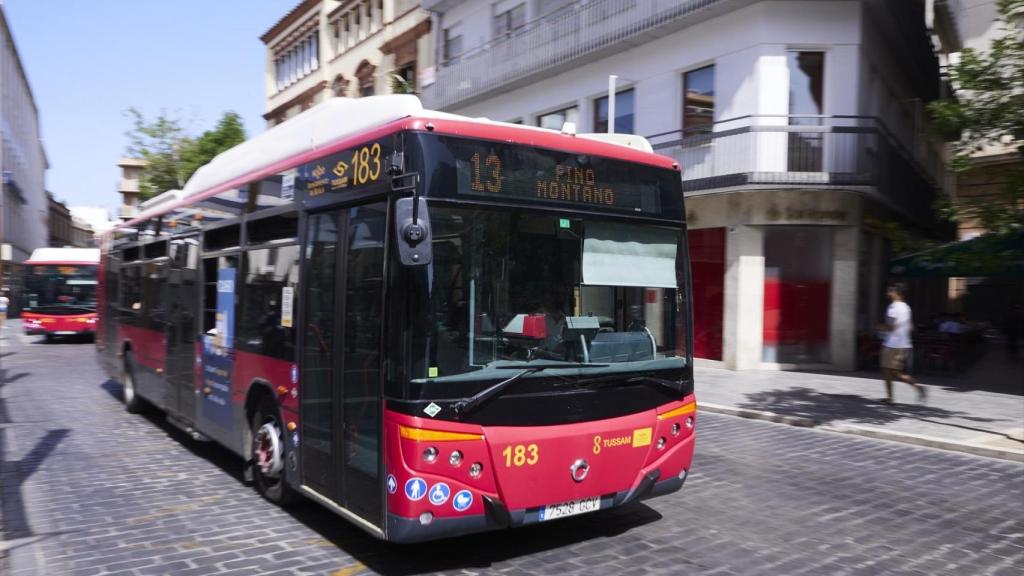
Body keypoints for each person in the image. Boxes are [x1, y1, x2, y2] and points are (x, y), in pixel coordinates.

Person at [878, 283, 927, 403]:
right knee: (893, 372)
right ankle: (894, 396)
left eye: (892, 290)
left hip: (892, 345)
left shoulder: (893, 307)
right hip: (903, 344)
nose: (889, 292)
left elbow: (891, 327)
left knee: (889, 371)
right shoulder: (906, 307)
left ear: (897, 293)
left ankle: (893, 396)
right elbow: (911, 326)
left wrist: (878, 327)